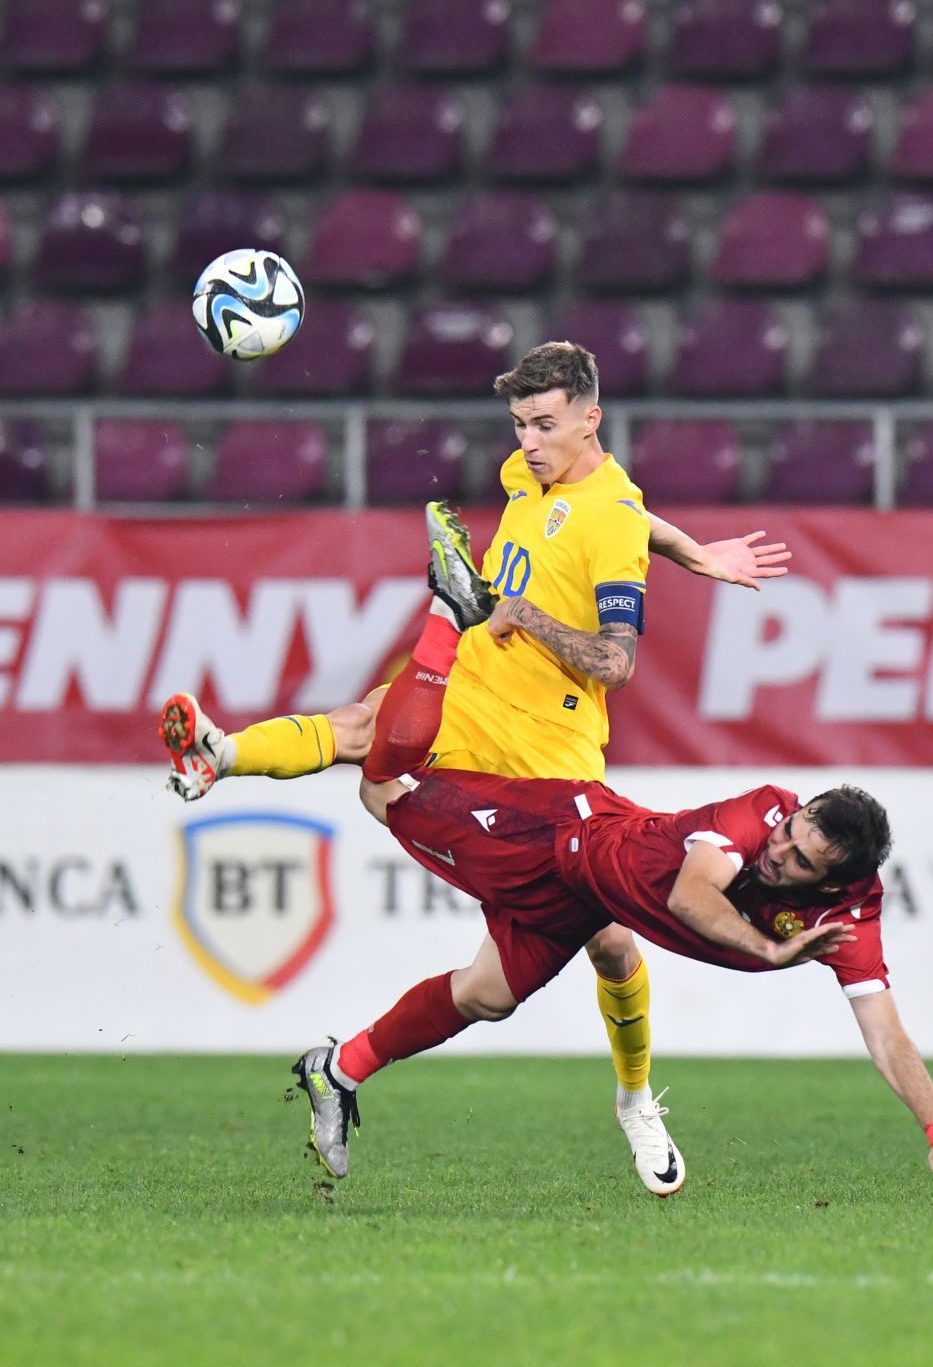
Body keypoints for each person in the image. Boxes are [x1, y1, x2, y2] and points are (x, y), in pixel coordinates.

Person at [158, 341, 791, 1196]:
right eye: (520, 424)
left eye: (545, 424)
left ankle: (631, 1099)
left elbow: (616, 662)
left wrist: (526, 614)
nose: (527, 442)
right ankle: (218, 755)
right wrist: (699, 554)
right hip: (474, 700)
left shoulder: (605, 520)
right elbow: (634, 511)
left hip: (548, 759)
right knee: (360, 728)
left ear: (590, 419)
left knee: (574, 958)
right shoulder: (532, 477)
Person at [293, 766, 933, 1193]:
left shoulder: (852, 916)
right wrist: (767, 950)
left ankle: (338, 1069)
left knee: (487, 996)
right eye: (789, 832)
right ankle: (433, 642)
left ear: (835, 883)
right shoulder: (759, 812)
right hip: (550, 841)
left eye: (798, 862)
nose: (778, 853)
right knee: (379, 790)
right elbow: (690, 897)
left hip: (582, 902)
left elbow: (884, 1031)